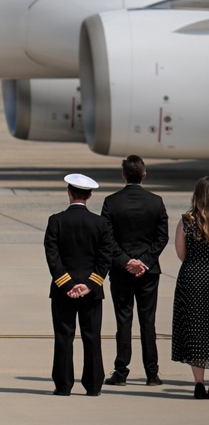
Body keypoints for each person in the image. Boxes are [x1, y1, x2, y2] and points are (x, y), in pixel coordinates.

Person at [100, 155, 169, 387]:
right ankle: (152, 373)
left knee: (124, 320)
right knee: (148, 321)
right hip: (148, 273)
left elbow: (106, 239)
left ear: (123, 175)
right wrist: (145, 262)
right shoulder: (156, 201)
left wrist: (126, 261)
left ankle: (121, 371)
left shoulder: (111, 202)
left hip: (121, 272)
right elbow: (162, 237)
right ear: (144, 174)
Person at [44, 173, 114, 396]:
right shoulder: (101, 223)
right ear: (90, 195)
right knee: (92, 337)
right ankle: (93, 385)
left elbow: (53, 258)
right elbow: (105, 258)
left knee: (64, 337)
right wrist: (89, 285)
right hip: (91, 292)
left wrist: (67, 285)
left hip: (62, 291)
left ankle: (63, 385)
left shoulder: (56, 221)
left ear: (68, 193)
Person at [172, 176, 209, 399]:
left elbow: (181, 254)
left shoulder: (187, 220)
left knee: (196, 331)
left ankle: (198, 383)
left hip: (193, 277)